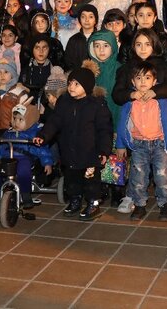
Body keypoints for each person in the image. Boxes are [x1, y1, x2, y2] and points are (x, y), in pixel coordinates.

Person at [34, 64, 113, 221]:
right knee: (72, 180)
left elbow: (105, 130)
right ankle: (75, 200)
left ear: (87, 86)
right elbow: (54, 122)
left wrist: (104, 151)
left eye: (77, 84)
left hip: (90, 153)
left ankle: (93, 203)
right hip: (69, 151)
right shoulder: (64, 102)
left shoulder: (97, 105)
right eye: (70, 83)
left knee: (91, 182)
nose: (71, 87)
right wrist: (43, 135)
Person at [115, 61, 167, 221]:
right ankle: (139, 205)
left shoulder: (163, 101)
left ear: (154, 81)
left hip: (160, 143)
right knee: (138, 177)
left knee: (162, 176)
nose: (143, 82)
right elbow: (122, 124)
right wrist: (120, 145)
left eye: (147, 78)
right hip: (139, 145)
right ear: (133, 82)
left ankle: (165, 205)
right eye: (138, 78)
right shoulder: (129, 102)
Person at [0, 102, 54, 213]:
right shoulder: (9, 133)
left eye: (20, 120)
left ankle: (25, 194)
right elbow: (2, 147)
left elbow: (43, 149)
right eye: (15, 119)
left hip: (24, 157)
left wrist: (47, 162)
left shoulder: (35, 133)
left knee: (23, 171)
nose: (16, 122)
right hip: (7, 158)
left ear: (30, 120)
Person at [87, 30, 123, 206]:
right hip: (93, 123)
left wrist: (119, 126)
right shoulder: (88, 69)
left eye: (106, 46)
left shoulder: (118, 69)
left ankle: (117, 190)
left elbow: (121, 98)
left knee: (115, 156)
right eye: (97, 46)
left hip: (115, 119)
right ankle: (99, 187)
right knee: (97, 155)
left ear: (113, 47)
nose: (101, 50)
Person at [112, 28, 167, 107]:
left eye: (147, 44)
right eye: (139, 45)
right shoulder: (127, 67)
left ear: (154, 45)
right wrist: (131, 94)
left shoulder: (162, 65)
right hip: (134, 113)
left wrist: (155, 92)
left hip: (159, 112)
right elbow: (116, 94)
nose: (143, 49)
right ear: (133, 46)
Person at [0, 58, 30, 137]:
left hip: (13, 133)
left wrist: (21, 132)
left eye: (6, 72)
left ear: (12, 74)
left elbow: (26, 116)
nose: (2, 75)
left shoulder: (19, 92)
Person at [19, 34, 54, 100]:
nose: (41, 51)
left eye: (44, 47)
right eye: (37, 48)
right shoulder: (26, 70)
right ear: (32, 50)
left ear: (49, 49)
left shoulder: (55, 70)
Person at [64, 4, 98, 71]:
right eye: (83, 17)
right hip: (77, 77)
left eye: (91, 17)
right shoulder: (73, 40)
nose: (87, 20)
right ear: (79, 19)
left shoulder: (100, 38)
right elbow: (68, 62)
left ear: (95, 20)